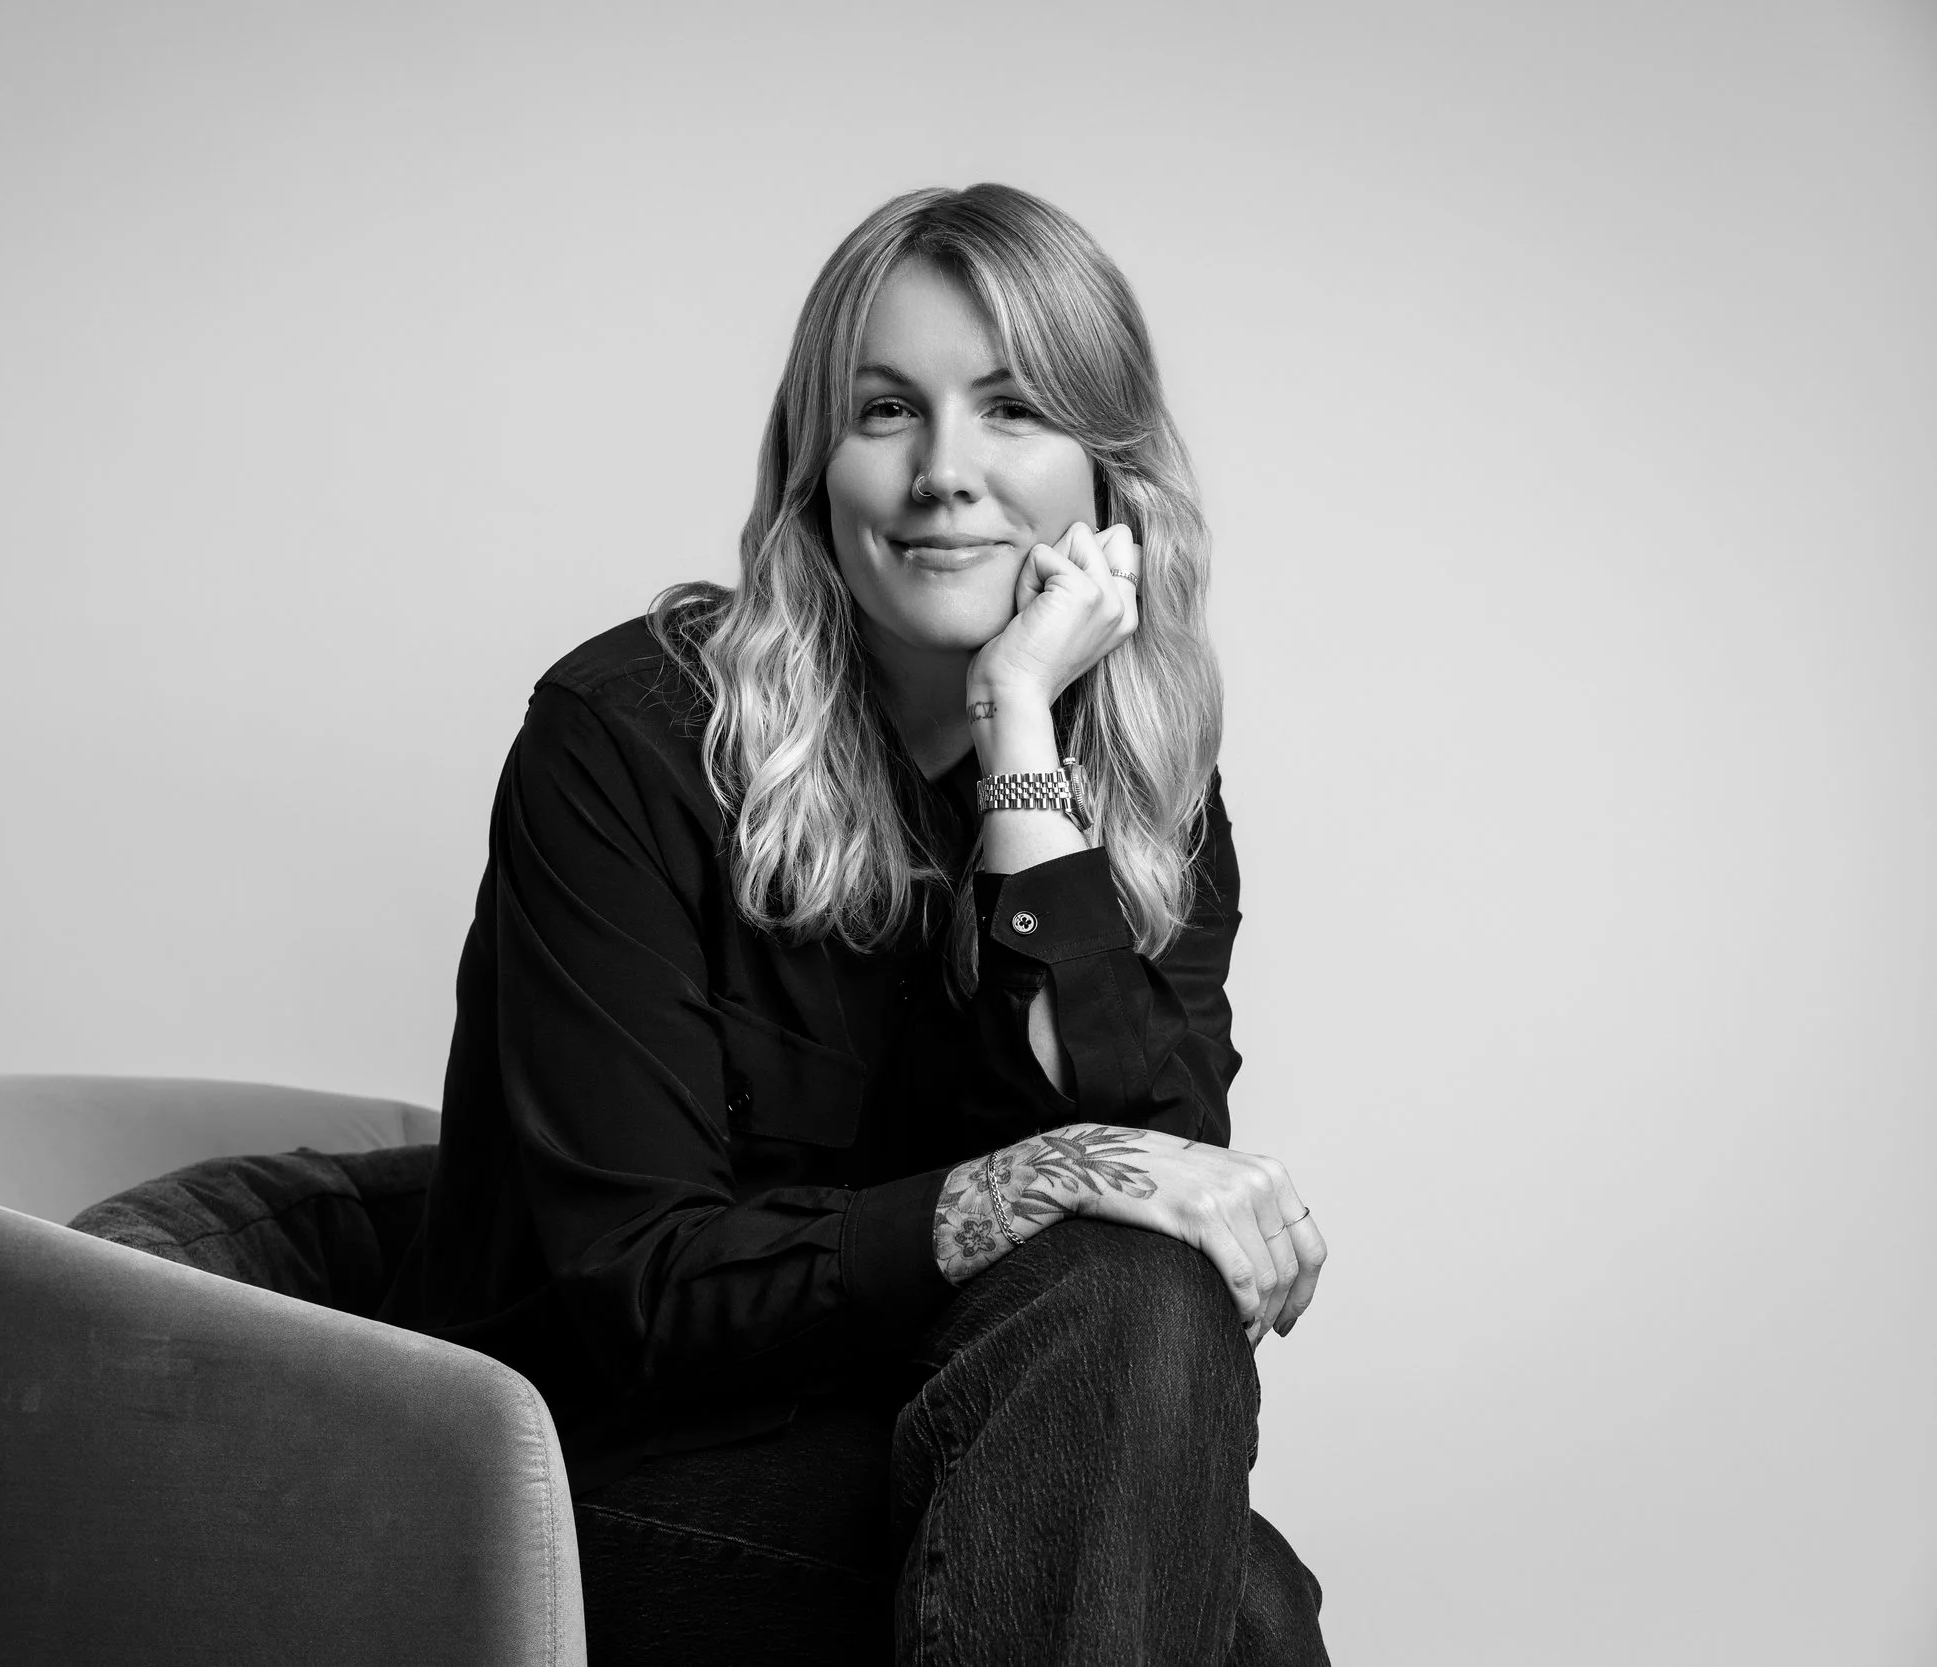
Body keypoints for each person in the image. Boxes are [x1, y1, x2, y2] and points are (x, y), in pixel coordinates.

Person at [379, 182, 1332, 1666]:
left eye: (1012, 410)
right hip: (587, 1488)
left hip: (952, 1441)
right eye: (888, 410)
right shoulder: (626, 738)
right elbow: (637, 1289)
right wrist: (1028, 1181)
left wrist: (1018, 725)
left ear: (1109, 478)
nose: (945, 472)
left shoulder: (1142, 807)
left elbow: (1158, 1232)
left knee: (1147, 1340)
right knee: (1242, 1613)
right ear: (819, 462)